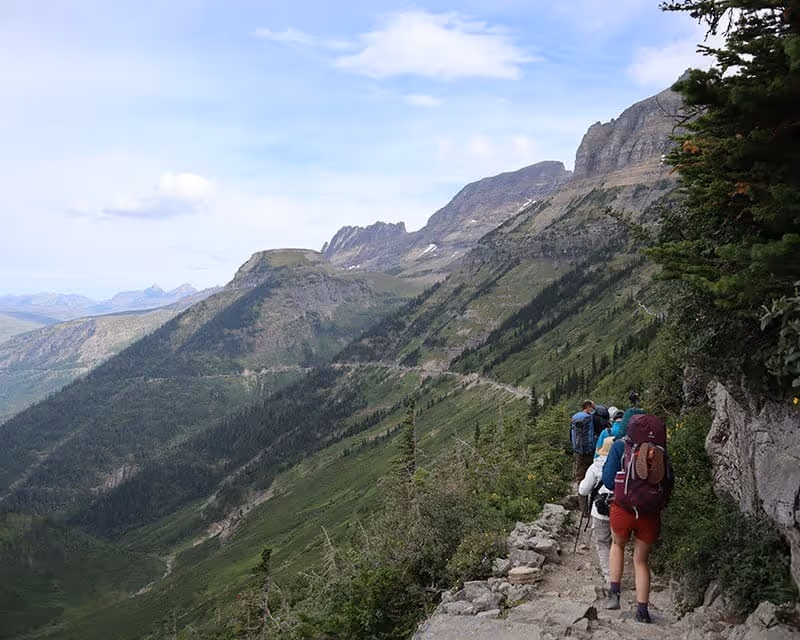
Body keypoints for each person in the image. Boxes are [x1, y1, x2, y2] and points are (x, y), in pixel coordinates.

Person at [602, 413, 673, 624]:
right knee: (641, 560)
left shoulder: (619, 447)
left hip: (622, 509)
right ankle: (642, 611)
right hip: (649, 513)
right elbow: (668, 483)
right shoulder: (661, 452)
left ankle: (614, 595)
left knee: (617, 545)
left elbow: (607, 480)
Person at [578, 436, 615, 583]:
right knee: (617, 543)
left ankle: (608, 575)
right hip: (621, 510)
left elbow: (584, 489)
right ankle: (617, 572)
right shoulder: (625, 465)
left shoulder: (595, 467)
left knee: (602, 542)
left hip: (600, 511)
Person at [570, 399, 595, 512]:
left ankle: (583, 509)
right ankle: (592, 506)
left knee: (580, 478)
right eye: (592, 407)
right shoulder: (588, 418)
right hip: (589, 453)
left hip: (579, 452)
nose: (593, 409)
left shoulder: (575, 417)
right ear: (588, 407)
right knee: (593, 477)